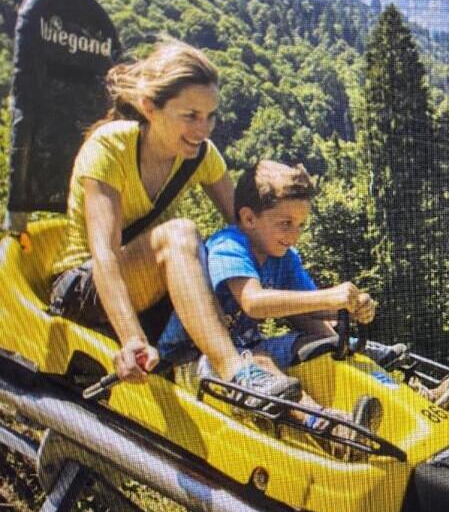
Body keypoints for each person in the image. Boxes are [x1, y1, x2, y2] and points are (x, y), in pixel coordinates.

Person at [47, 39, 304, 409]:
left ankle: (295, 397)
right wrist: (132, 339)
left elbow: (250, 230)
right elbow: (104, 256)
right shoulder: (109, 148)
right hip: (84, 290)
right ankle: (235, 371)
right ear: (150, 107)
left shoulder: (200, 155)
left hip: (151, 291)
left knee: (222, 254)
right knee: (182, 233)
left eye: (211, 116)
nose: (204, 129)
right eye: (191, 116)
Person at [157, 160, 449, 411]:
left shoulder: (284, 256)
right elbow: (253, 301)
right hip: (194, 360)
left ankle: (412, 398)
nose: (295, 234)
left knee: (320, 341)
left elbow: (315, 310)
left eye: (301, 225)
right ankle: (325, 423)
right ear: (249, 218)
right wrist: (330, 296)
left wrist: (349, 308)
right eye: (285, 223)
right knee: (262, 362)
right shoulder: (229, 245)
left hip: (247, 348)